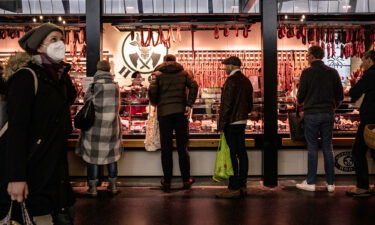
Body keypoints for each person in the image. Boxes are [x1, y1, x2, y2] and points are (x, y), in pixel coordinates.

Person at [0, 23, 77, 224]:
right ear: (39, 46)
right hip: (33, 171)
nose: (60, 44)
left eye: (62, 39)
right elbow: (17, 130)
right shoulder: (26, 77)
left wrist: (63, 72)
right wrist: (16, 177)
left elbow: (67, 103)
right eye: (54, 39)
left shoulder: (57, 78)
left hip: (56, 173)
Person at [296, 46, 344, 193]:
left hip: (311, 114)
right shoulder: (333, 72)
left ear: (311, 56)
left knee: (312, 147)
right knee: (328, 147)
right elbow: (340, 96)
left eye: (307, 55)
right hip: (328, 113)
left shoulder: (307, 73)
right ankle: (330, 183)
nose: (306, 58)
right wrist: (332, 107)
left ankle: (311, 182)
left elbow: (300, 97)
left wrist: (301, 101)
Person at [148, 54, 198, 192]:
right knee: (182, 147)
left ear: (164, 62)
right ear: (175, 61)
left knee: (166, 148)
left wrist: (156, 103)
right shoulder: (183, 73)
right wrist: (189, 104)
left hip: (164, 114)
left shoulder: (157, 75)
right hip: (181, 113)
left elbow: (152, 91)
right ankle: (186, 180)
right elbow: (194, 86)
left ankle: (167, 181)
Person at [76, 60, 122, 196]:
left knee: (93, 158)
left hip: (94, 127)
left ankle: (93, 188)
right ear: (108, 70)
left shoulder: (92, 86)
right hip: (112, 126)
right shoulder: (115, 86)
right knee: (112, 157)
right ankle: (113, 186)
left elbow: (86, 102)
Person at [215, 56, 253, 199]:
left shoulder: (231, 81)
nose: (225, 68)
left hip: (231, 122)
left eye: (226, 65)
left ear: (232, 66)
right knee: (242, 153)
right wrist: (244, 114)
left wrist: (221, 124)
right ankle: (242, 185)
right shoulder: (246, 80)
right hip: (242, 121)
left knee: (232, 155)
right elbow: (250, 103)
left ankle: (233, 187)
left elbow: (226, 105)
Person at [346, 50, 375, 197]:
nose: (362, 63)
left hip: (370, 122)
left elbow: (355, 92)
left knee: (358, 152)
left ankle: (363, 187)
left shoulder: (370, 74)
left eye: (363, 60)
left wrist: (348, 92)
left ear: (370, 60)